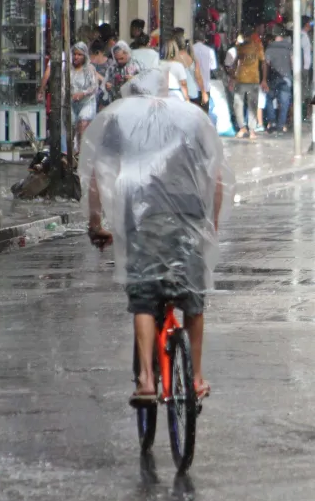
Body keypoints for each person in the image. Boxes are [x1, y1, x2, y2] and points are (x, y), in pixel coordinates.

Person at [79, 68, 233, 404]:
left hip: (141, 220)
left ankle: (146, 380)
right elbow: (216, 177)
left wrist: (96, 224)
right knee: (192, 299)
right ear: (165, 91)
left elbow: (99, 175)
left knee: (145, 299)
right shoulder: (191, 119)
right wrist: (211, 225)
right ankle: (196, 378)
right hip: (188, 219)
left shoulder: (121, 120)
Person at [230, 26, 267, 138]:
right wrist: (264, 79)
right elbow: (236, 60)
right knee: (247, 105)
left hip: (248, 79)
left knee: (243, 105)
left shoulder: (254, 45)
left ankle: (247, 129)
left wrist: (264, 79)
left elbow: (263, 63)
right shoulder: (246, 45)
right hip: (246, 79)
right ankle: (247, 129)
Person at [264, 25, 294, 133]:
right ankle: (281, 125)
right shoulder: (289, 47)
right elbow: (293, 62)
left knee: (269, 99)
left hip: (273, 78)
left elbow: (266, 64)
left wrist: (264, 79)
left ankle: (272, 121)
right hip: (286, 78)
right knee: (284, 103)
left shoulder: (269, 47)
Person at [69, 42, 99, 150]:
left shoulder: (89, 69)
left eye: (79, 54)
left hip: (87, 102)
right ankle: (72, 153)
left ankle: (81, 153)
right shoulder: (68, 69)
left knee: (83, 124)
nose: (76, 57)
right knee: (71, 128)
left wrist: (83, 93)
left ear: (84, 55)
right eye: (74, 54)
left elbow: (94, 87)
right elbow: (63, 86)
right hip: (72, 102)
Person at [171, 30, 207, 109]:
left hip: (179, 94)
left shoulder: (173, 59)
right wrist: (203, 92)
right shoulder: (192, 58)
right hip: (193, 93)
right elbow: (198, 77)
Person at [192, 29, 217, 113]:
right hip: (205, 87)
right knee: (204, 114)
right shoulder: (210, 51)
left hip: (193, 88)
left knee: (193, 114)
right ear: (204, 40)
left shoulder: (191, 50)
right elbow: (213, 67)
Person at [88, 40, 112, 111]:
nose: (89, 57)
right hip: (92, 99)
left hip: (106, 99)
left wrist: (99, 77)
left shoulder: (110, 64)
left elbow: (112, 83)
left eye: (90, 54)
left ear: (97, 53)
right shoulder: (89, 65)